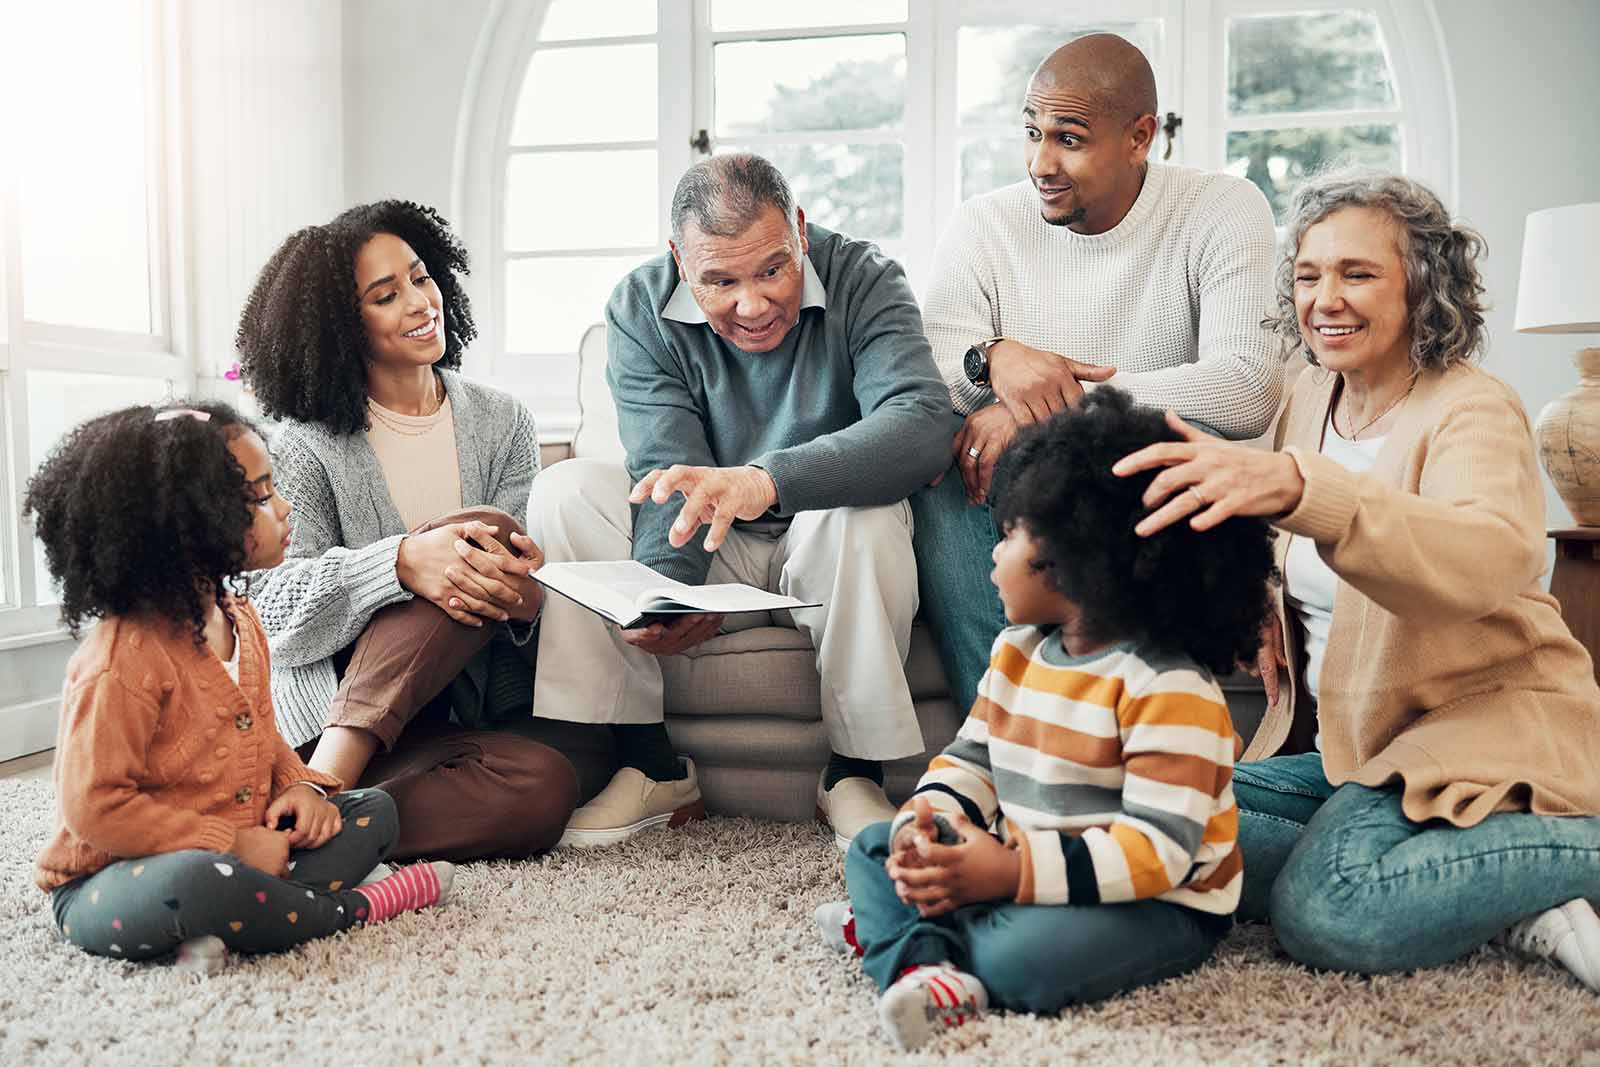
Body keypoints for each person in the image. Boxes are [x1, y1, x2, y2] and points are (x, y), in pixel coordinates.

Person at [1114, 169, 1600, 991]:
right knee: (1160, 809)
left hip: (1480, 734)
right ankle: (1469, 888)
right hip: (1355, 751)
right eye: (1308, 275)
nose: (1325, 298)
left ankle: (1557, 861)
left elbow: (1486, 558)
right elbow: (1292, 538)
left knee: (1328, 907)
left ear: (1424, 284)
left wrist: (1308, 491)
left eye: (1357, 273)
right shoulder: (1311, 394)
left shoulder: (1473, 409)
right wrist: (1264, 600)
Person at [814, 389, 1276, 1051]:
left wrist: (1006, 872)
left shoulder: (1171, 689)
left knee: (1019, 963)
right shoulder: (1018, 651)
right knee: (876, 846)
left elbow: (1158, 853)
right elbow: (973, 758)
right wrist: (934, 818)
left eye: (1008, 537)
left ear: (1074, 564)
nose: (992, 558)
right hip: (1022, 867)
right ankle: (924, 964)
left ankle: (908, 934)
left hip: (1156, 904)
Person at [532, 154, 959, 849]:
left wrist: (764, 479)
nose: (753, 304)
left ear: (799, 231)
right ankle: (651, 764)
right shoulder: (639, 304)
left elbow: (920, 425)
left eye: (772, 270)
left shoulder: (867, 278)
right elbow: (668, 469)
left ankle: (854, 774)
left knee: (872, 517)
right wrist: (663, 598)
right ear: (679, 258)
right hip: (711, 549)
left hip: (823, 544)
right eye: (720, 281)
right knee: (567, 489)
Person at [914, 32, 1283, 716]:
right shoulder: (983, 224)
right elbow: (932, 372)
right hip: (1018, 486)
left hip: (1139, 484)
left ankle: (1133, 723)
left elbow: (1248, 385)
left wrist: (1060, 403)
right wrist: (992, 358)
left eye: (1069, 139)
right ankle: (1002, 731)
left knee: (1175, 435)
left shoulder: (1222, 209)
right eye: (1032, 132)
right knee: (946, 463)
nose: (1041, 162)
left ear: (1140, 136)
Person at [27, 401, 453, 975]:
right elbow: (95, 810)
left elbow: (264, 735)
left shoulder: (240, 616)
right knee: (196, 881)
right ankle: (347, 909)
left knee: (372, 811)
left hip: (245, 845)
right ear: (180, 526)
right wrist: (228, 844)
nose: (283, 508)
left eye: (271, 488)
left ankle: (240, 921)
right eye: (258, 498)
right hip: (114, 877)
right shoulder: (120, 661)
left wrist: (302, 789)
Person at [237, 200, 585, 863]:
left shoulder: (502, 420)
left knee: (548, 787)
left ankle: (325, 826)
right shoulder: (306, 447)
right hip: (333, 712)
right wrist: (398, 563)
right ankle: (327, 779)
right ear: (343, 325)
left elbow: (516, 580)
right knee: (466, 542)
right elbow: (271, 606)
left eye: (422, 278)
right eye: (385, 294)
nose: (421, 302)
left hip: (449, 711)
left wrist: (525, 600)